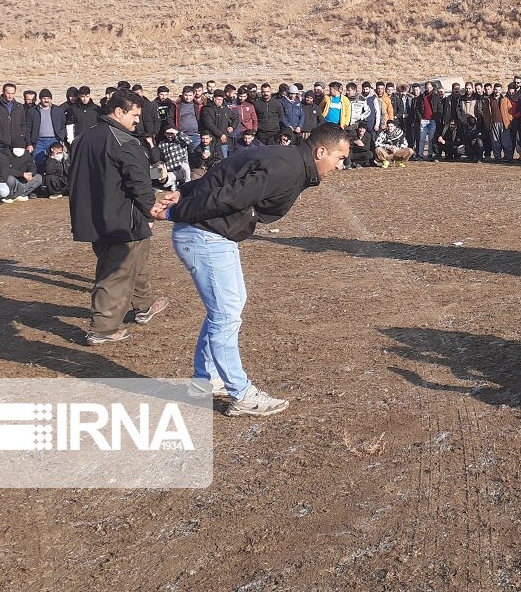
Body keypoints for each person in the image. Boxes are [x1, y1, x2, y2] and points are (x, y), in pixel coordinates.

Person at [160, 122, 349, 417]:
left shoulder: (284, 159)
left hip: (213, 235)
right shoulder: (286, 168)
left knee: (229, 308)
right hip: (205, 235)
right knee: (225, 315)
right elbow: (228, 196)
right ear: (320, 151)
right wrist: (177, 209)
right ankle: (241, 393)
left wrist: (184, 193)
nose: (340, 166)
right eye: (339, 158)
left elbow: (224, 176)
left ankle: (206, 380)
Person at [68, 88, 171, 345]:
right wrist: (152, 208)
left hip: (95, 216)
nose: (137, 121)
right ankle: (102, 328)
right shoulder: (125, 141)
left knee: (134, 259)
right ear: (118, 112)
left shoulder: (83, 138)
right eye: (134, 115)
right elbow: (138, 180)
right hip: (121, 219)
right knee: (116, 270)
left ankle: (144, 305)